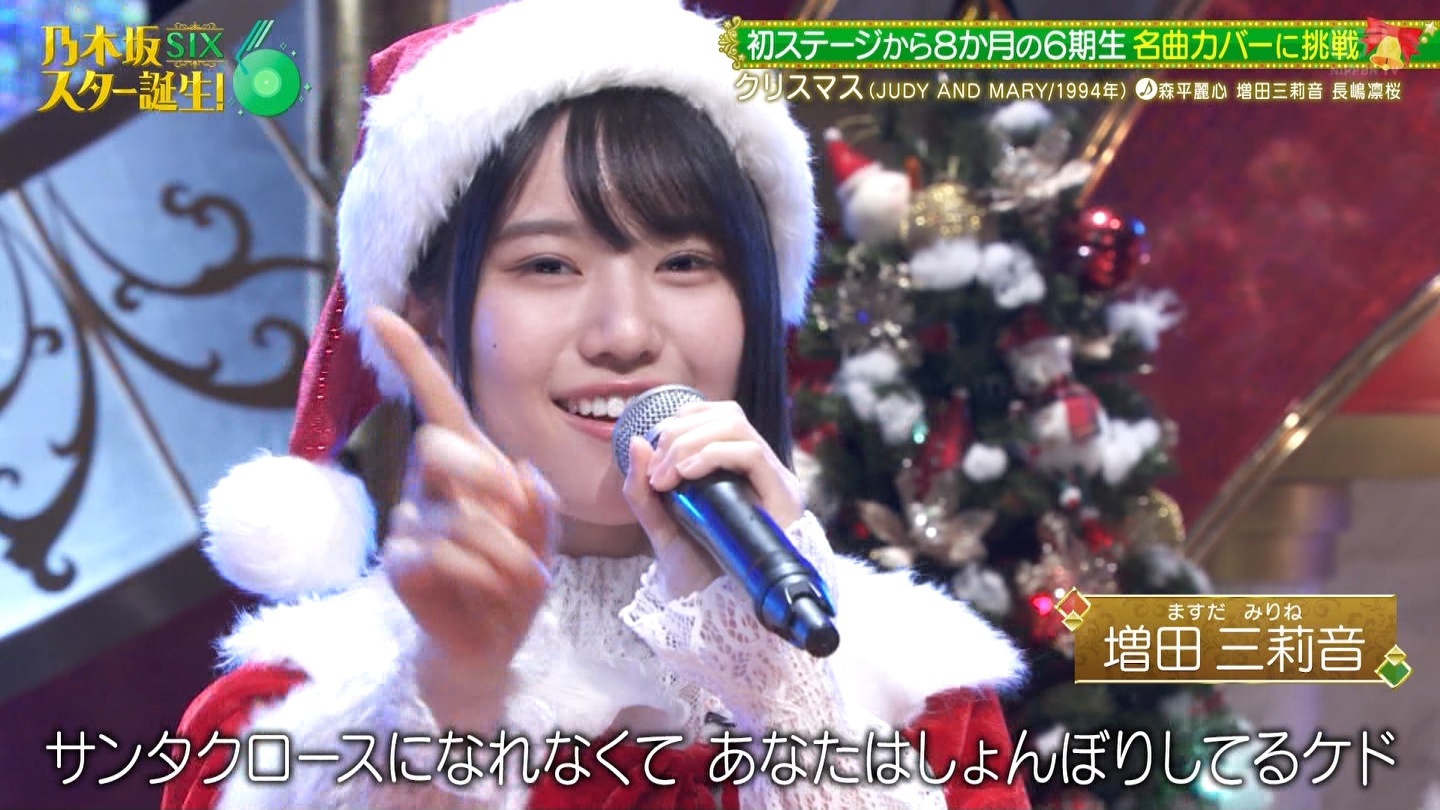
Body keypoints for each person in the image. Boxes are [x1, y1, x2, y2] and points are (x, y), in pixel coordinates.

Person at [160, 0, 1030, 807]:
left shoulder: (919, 688)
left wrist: (782, 691)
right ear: (427, 322)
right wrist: (451, 693)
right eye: (548, 265)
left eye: (685, 263)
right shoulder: (288, 715)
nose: (625, 333)